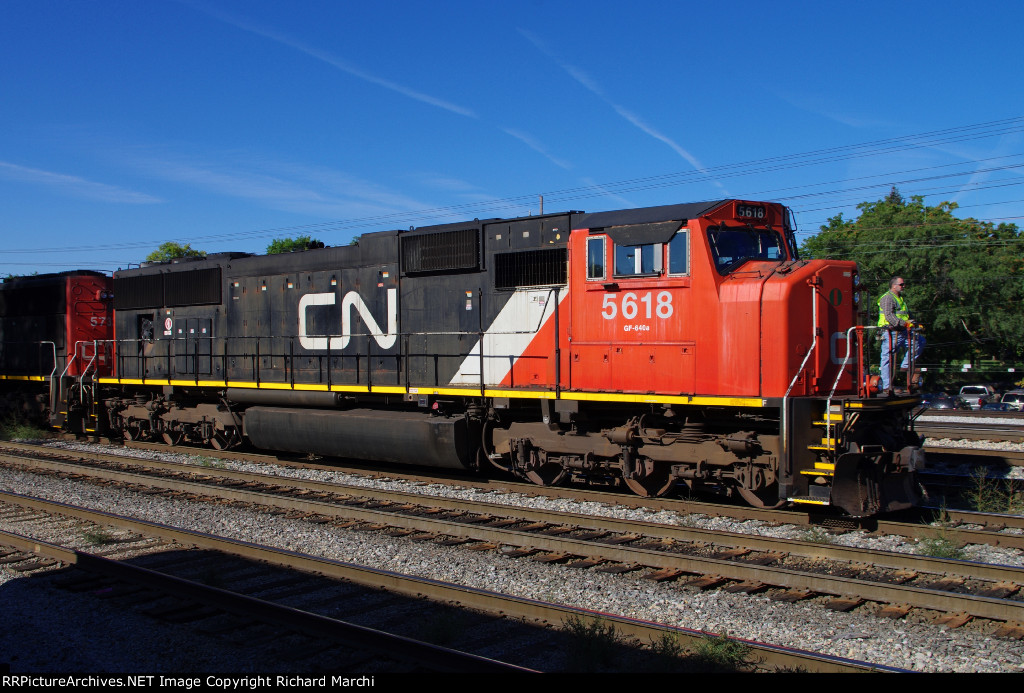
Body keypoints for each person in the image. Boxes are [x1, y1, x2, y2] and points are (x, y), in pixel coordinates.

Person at [877, 276, 925, 393]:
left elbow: (907, 314)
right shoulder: (887, 298)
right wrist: (905, 323)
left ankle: (906, 364)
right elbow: (889, 316)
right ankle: (886, 386)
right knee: (887, 358)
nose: (904, 286)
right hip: (891, 332)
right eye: (901, 284)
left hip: (903, 331)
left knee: (920, 341)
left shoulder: (900, 299)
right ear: (894, 286)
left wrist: (915, 324)